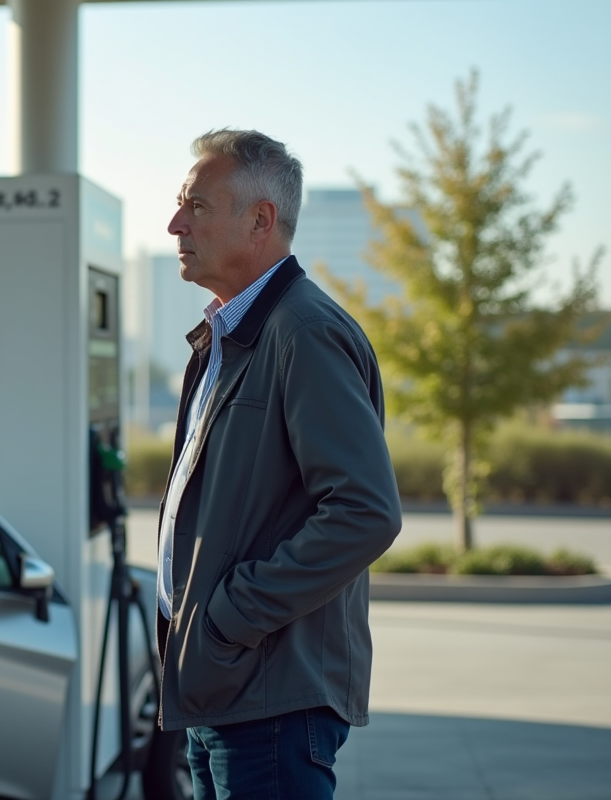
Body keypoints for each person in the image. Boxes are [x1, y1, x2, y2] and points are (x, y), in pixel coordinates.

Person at [155, 128, 402, 800]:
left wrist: (229, 619)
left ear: (260, 220)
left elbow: (365, 512)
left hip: (269, 700)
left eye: (197, 207)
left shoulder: (304, 332)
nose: (175, 223)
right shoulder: (230, 336)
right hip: (227, 688)